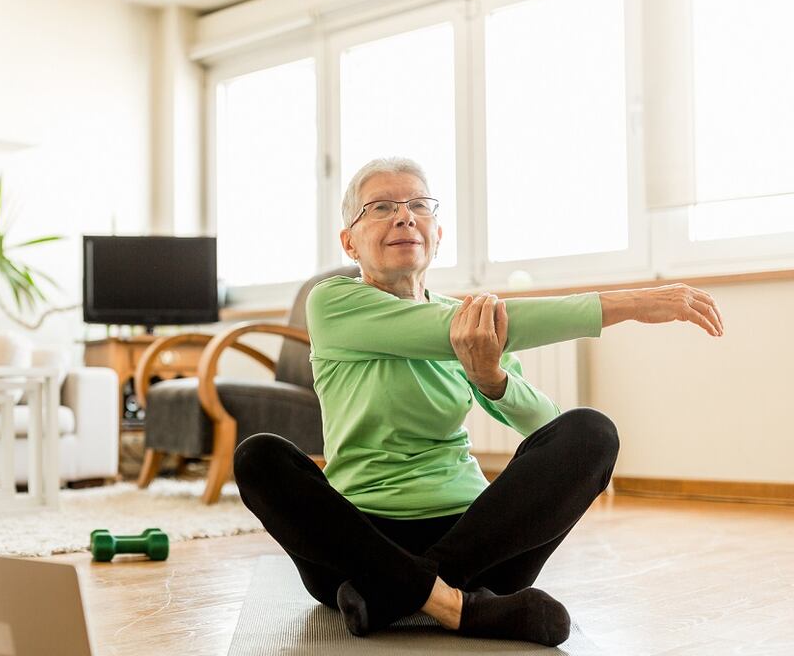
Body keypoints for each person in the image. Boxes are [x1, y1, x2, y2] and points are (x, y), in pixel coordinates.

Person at [233, 157, 724, 646]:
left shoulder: (462, 318)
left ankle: (399, 594)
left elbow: (546, 426)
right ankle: (454, 603)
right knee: (259, 456)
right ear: (350, 242)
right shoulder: (333, 302)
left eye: (419, 205)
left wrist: (490, 375)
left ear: (437, 234)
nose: (405, 216)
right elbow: (488, 326)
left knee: (593, 433)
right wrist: (634, 304)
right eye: (381, 207)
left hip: (477, 540)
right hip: (357, 544)